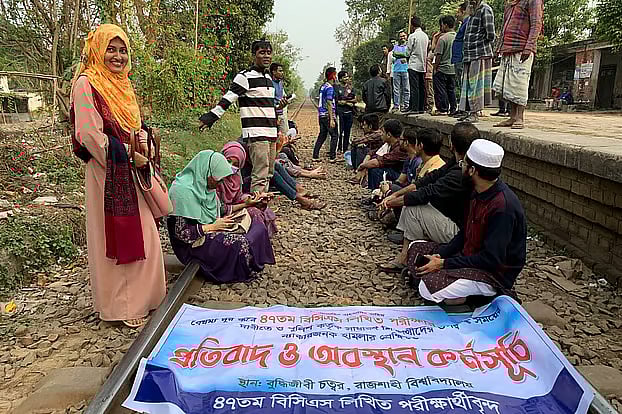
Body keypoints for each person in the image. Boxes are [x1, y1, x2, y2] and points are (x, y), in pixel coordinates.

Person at [70, 24, 165, 329]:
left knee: (146, 233)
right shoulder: (87, 84)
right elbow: (87, 133)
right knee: (122, 235)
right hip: (107, 173)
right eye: (111, 49)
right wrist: (126, 151)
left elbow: (133, 125)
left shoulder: (122, 84)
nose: (118, 56)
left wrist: (145, 144)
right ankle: (124, 306)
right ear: (97, 50)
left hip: (130, 167)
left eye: (122, 49)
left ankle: (144, 298)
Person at [407, 139, 526, 305]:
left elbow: (491, 259)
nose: (460, 167)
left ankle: (485, 297)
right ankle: (443, 285)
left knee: (427, 287)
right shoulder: (478, 191)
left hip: (491, 273)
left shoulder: (503, 207)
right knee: (415, 248)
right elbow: (465, 233)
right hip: (468, 255)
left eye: (463, 164)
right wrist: (441, 255)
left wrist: (443, 263)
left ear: (472, 170)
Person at [168, 151, 276, 284]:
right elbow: (181, 234)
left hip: (211, 226)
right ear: (207, 171)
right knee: (240, 243)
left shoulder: (204, 185)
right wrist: (212, 227)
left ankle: (253, 260)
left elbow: (220, 209)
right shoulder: (181, 192)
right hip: (192, 244)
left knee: (255, 213)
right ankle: (239, 269)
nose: (221, 183)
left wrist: (247, 204)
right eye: (218, 179)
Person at [382, 122, 477, 250]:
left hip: (460, 231)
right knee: (408, 197)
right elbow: (428, 180)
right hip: (458, 220)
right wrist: (395, 195)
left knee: (413, 208)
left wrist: (389, 201)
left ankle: (407, 255)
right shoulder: (457, 163)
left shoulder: (460, 171)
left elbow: (427, 192)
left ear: (451, 144)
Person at [199, 40, 276, 193]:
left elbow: (267, 106)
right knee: (260, 175)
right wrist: (211, 117)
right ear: (254, 55)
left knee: (268, 173)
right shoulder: (245, 77)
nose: (266, 56)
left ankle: (260, 205)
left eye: (268, 53)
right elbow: (228, 98)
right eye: (262, 52)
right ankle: (256, 211)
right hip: (256, 133)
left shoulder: (269, 78)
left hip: (271, 134)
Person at [493, 0, 543, 129]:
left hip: (522, 48)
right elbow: (504, 27)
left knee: (519, 84)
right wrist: (498, 48)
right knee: (508, 86)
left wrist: (529, 47)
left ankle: (519, 118)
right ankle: (512, 117)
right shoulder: (509, 4)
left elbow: (536, 24)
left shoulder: (533, 1)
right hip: (507, 49)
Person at [218, 142, 278, 238]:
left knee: (262, 211)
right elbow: (220, 208)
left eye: (236, 164)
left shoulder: (236, 177)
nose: (230, 166)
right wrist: (246, 204)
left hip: (232, 209)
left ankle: (257, 241)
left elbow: (238, 196)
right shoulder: (216, 178)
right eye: (228, 161)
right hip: (218, 217)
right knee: (254, 213)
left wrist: (253, 198)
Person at [458, 0, 495, 123]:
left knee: (475, 85)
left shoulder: (485, 9)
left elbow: (491, 34)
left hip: (479, 53)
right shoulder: (472, 10)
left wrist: (480, 43)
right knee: (468, 85)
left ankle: (474, 113)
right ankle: (469, 111)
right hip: (469, 54)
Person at [357, 119, 408, 190]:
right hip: (392, 170)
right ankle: (374, 193)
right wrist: (365, 164)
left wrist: (361, 167)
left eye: (383, 132)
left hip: (401, 176)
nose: (381, 134)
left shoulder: (399, 148)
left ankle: (379, 195)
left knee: (376, 170)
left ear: (389, 135)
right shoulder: (388, 144)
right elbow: (374, 152)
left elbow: (378, 161)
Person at [313, 66, 338, 162]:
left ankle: (315, 155)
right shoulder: (330, 88)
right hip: (328, 115)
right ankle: (332, 157)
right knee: (335, 135)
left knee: (322, 135)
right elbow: (329, 102)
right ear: (333, 76)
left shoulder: (323, 86)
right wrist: (332, 118)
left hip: (321, 115)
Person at [433, 16, 458, 115]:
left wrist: (435, 67)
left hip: (442, 68)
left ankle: (442, 109)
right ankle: (453, 108)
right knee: (451, 90)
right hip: (453, 68)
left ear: (445, 25)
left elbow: (438, 54)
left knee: (440, 90)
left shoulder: (443, 39)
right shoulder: (457, 37)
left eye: (442, 24)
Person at [407, 17, 429, 114]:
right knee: (421, 87)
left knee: (414, 87)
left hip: (414, 64)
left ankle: (414, 107)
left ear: (412, 25)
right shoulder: (425, 36)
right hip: (422, 64)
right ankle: (421, 107)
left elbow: (408, 52)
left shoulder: (412, 36)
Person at [452, 2, 470, 113]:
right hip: (458, 57)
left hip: (462, 57)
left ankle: (465, 108)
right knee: (461, 83)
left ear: (463, 12)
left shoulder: (467, 22)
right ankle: (462, 107)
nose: (456, 15)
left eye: (458, 12)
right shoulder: (462, 24)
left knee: (464, 83)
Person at [335, 71, 357, 154]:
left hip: (349, 113)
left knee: (348, 131)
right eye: (344, 77)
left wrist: (346, 102)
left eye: (347, 77)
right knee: (340, 131)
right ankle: (339, 148)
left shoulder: (351, 88)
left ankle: (345, 148)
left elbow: (355, 99)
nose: (347, 78)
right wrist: (348, 103)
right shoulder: (337, 88)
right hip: (340, 113)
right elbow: (338, 101)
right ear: (340, 79)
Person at [391, 31, 411, 113]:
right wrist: (403, 55)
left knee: (406, 89)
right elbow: (394, 54)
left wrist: (402, 55)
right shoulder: (395, 46)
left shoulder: (408, 46)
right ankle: (396, 105)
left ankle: (406, 105)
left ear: (406, 36)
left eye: (404, 36)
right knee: (396, 89)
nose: (402, 37)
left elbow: (408, 54)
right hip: (396, 70)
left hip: (406, 69)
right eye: (400, 36)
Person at [270, 62, 290, 135]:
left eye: (282, 71)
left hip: (282, 112)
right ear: (274, 72)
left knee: (284, 134)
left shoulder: (280, 82)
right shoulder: (270, 83)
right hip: (274, 113)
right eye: (280, 71)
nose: (282, 73)